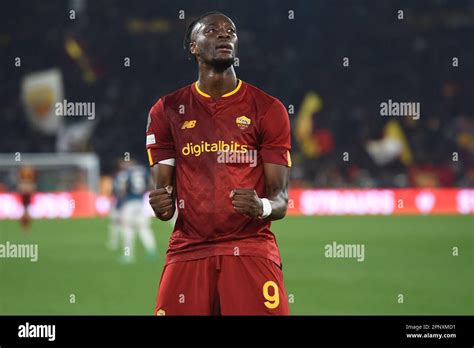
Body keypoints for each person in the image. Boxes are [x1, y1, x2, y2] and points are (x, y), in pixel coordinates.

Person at [146, 12, 291, 315]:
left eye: (231, 31)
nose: (224, 35)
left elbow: (280, 199)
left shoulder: (268, 109)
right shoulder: (167, 110)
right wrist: (161, 205)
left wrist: (261, 206)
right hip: (189, 250)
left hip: (250, 247)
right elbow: (164, 200)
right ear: (193, 47)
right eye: (212, 30)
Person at [118, 160, 157, 264]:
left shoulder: (126, 173)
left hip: (130, 203)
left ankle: (128, 255)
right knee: (144, 228)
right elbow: (151, 184)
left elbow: (122, 189)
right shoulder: (144, 171)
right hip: (141, 203)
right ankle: (151, 251)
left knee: (127, 229)